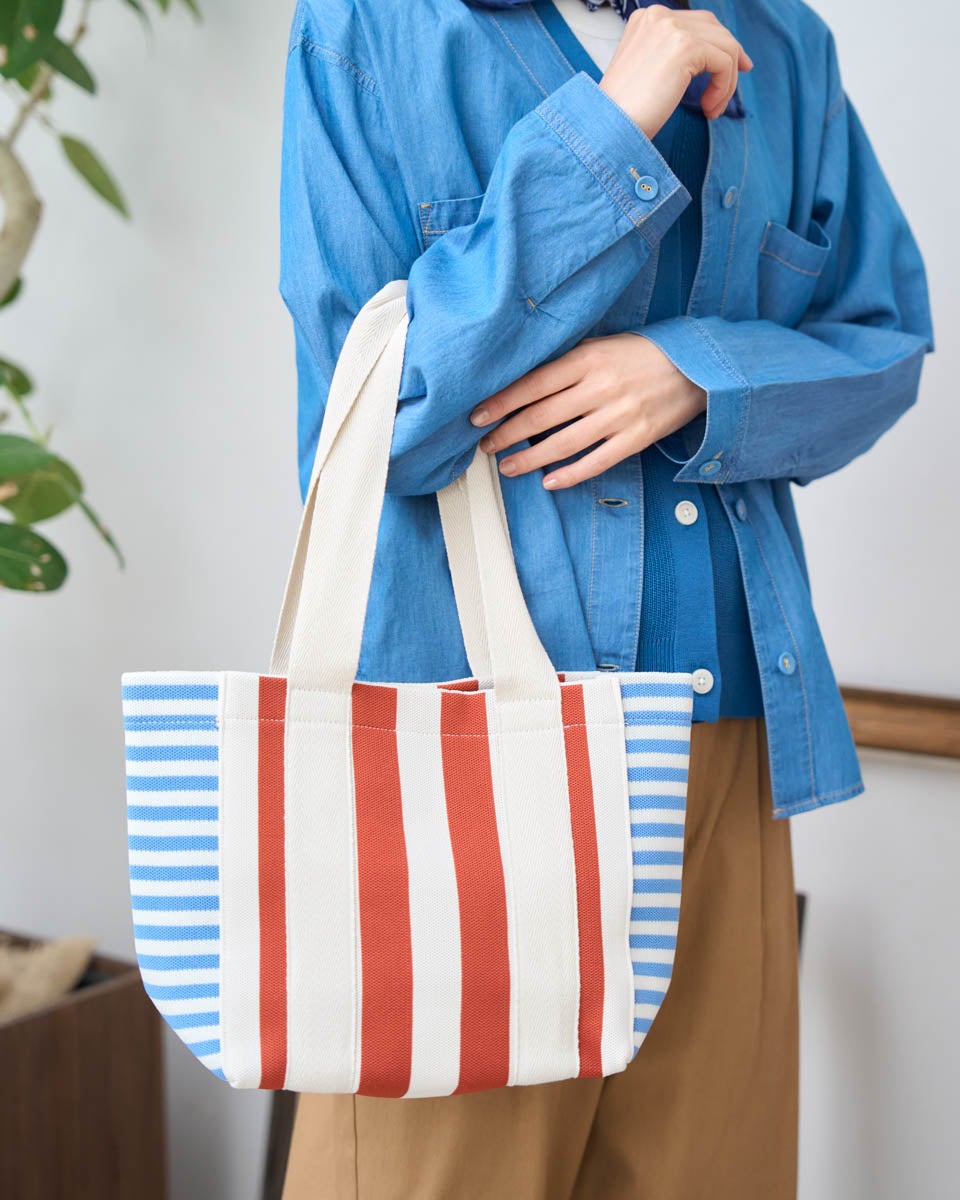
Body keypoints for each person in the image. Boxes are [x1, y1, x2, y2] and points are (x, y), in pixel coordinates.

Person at [276, 1, 935, 1196]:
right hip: (463, 767)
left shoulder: (784, 41)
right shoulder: (376, 26)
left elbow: (883, 340)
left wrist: (699, 372)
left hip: (725, 749)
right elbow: (371, 424)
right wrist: (608, 130)